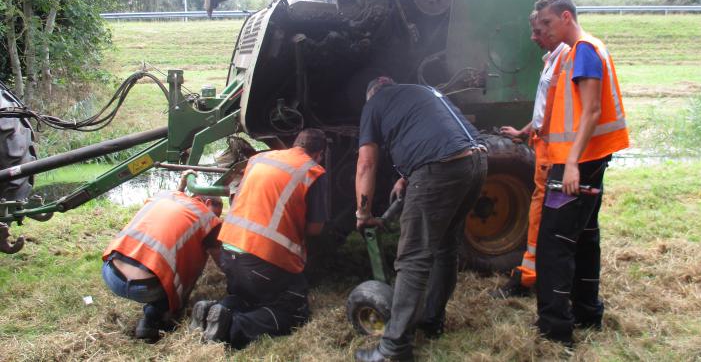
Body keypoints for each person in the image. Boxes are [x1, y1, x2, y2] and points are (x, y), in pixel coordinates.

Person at [354, 77, 488, 362]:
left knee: (413, 259)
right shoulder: (423, 91)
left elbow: (366, 163)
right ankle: (432, 321)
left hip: (441, 168)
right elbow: (430, 131)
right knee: (445, 248)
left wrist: (363, 213)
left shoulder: (373, 104)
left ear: (372, 95)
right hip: (476, 163)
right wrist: (406, 176)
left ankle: (393, 348)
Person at [534, 0, 629, 345]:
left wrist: (571, 163)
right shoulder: (586, 48)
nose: (542, 30)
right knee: (586, 236)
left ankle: (556, 329)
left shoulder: (585, 51)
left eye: (547, 23)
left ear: (566, 17)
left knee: (554, 242)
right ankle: (588, 313)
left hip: (578, 163)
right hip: (589, 158)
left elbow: (590, 111)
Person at [192, 128, 328, 348]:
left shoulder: (258, 159)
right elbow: (314, 229)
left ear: (295, 144)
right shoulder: (313, 171)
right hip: (263, 262)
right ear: (319, 153)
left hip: (228, 252)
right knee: (293, 309)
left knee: (247, 296)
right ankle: (234, 327)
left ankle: (212, 311)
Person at [492, 11, 570, 298]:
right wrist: (524, 132)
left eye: (540, 30)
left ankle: (533, 279)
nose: (534, 37)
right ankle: (532, 273)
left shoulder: (567, 59)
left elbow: (566, 113)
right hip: (544, 149)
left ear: (563, 21)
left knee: (548, 217)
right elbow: (544, 110)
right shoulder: (551, 59)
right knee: (538, 214)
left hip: (557, 155)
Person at [102, 171, 223, 342]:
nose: (216, 218)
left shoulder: (164, 196)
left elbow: (172, 211)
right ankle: (152, 320)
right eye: (217, 213)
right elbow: (220, 261)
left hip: (111, 274)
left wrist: (181, 186)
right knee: (180, 277)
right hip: (146, 287)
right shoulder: (208, 218)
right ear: (208, 202)